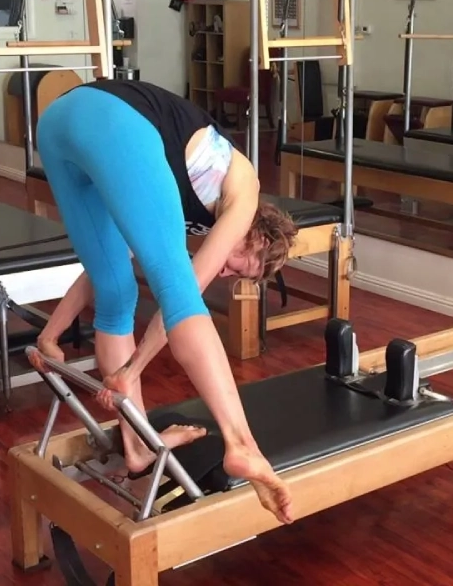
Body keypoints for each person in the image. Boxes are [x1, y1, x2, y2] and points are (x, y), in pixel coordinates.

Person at [29, 79, 298, 525]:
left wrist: (50, 334)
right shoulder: (244, 195)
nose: (226, 273)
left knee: (116, 289)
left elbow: (105, 265)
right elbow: (183, 294)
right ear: (256, 234)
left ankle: (136, 449)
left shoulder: (175, 201)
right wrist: (131, 370)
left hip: (58, 125)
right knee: (180, 293)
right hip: (111, 118)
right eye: (240, 263)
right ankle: (242, 446)